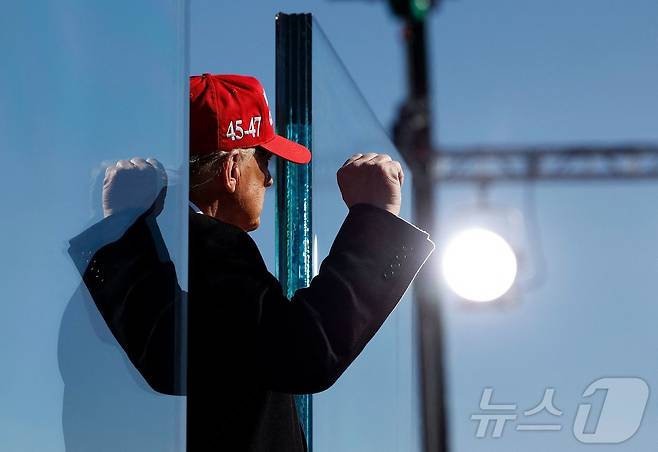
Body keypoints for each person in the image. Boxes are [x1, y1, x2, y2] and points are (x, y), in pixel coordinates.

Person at [68, 73, 434, 451]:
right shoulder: (210, 249)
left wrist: (122, 225)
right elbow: (305, 350)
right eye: (264, 162)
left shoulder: (133, 259)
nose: (270, 181)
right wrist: (375, 218)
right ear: (231, 171)